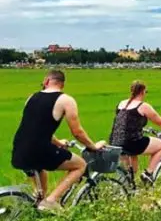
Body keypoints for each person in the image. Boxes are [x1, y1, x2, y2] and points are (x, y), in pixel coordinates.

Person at [11, 70, 106, 211]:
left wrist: (59, 143)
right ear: (62, 84)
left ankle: (39, 207)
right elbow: (77, 132)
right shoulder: (66, 100)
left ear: (47, 81)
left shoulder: (32, 97)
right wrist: (93, 146)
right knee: (80, 165)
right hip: (39, 149)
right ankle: (51, 201)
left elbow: (35, 128)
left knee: (40, 193)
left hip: (19, 148)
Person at [109, 81, 161, 183]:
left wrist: (139, 129)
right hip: (132, 142)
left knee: (131, 171)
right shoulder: (143, 106)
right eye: (146, 91)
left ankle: (128, 190)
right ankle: (148, 174)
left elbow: (125, 123)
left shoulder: (121, 103)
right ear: (142, 92)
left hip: (115, 141)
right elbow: (159, 120)